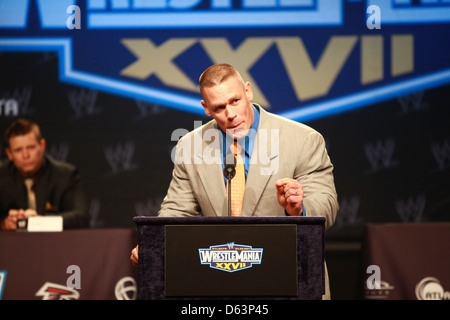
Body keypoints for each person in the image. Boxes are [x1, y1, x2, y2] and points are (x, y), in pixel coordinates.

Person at [130, 64, 338, 299]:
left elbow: (326, 204)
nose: (230, 114)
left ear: (248, 91)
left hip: (289, 283)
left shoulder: (302, 140)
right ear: (206, 108)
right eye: (219, 107)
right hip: (220, 286)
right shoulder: (190, 146)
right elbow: (178, 210)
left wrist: (299, 208)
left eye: (235, 101)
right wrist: (155, 244)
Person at [0, 118, 89, 230]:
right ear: (9, 153)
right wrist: (4, 223)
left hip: (55, 244)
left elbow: (81, 218)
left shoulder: (65, 175)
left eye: (31, 147)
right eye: (18, 150)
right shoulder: (2, 176)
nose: (25, 155)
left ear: (42, 146)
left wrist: (40, 222)